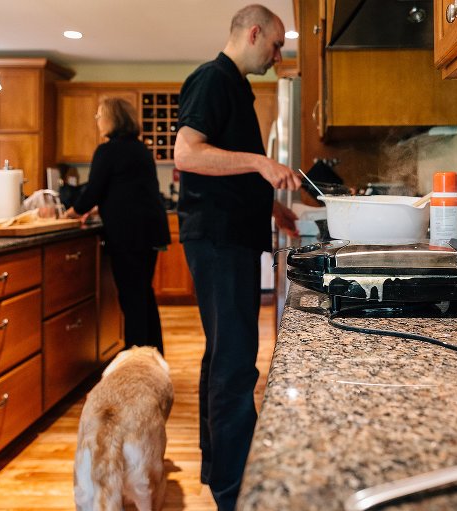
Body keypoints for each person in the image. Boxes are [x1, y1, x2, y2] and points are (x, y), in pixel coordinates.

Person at [173, 5, 301, 510]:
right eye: (275, 45)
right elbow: (187, 154)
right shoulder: (212, 78)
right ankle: (234, 492)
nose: (277, 54)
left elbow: (226, 171)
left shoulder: (234, 87)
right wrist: (260, 161)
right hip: (220, 241)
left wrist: (270, 204)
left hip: (231, 237)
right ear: (255, 33)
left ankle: (220, 468)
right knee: (233, 364)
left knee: (222, 355)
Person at [65, 97, 171, 355]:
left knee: (132, 297)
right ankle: (153, 354)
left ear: (112, 118)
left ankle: (135, 358)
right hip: (149, 230)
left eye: (100, 115)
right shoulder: (140, 149)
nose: (98, 120)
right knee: (143, 293)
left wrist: (73, 211)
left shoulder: (108, 150)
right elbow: (127, 190)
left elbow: (94, 190)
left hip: (128, 233)